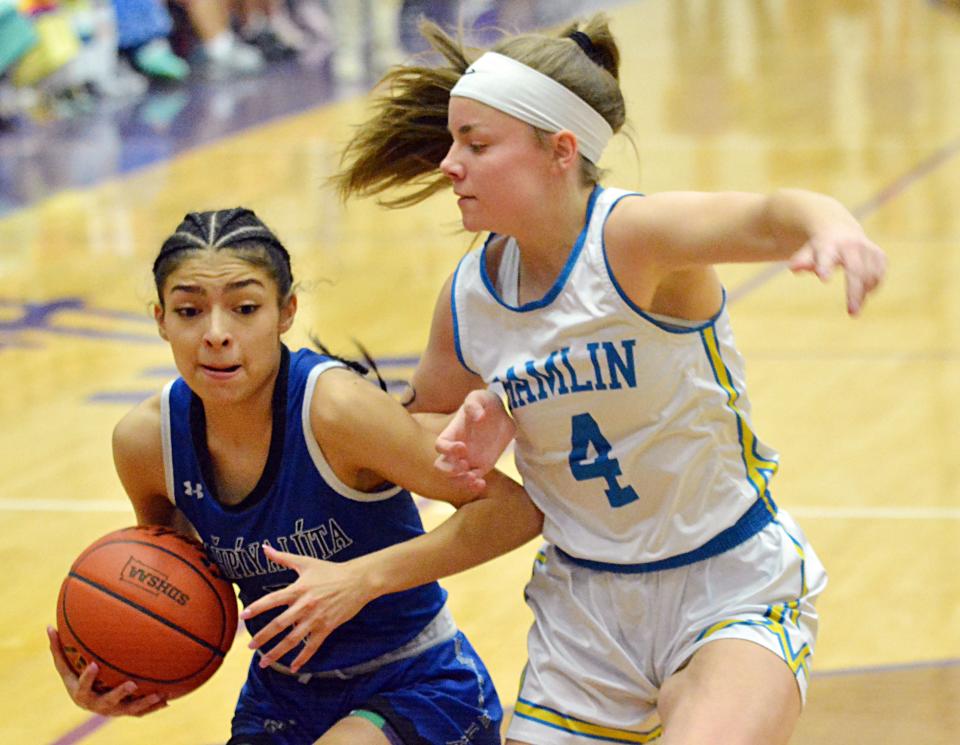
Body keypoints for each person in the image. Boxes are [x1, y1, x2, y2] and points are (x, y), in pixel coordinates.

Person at [332, 13, 887, 745]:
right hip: (585, 609)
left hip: (726, 584)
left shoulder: (632, 241)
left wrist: (828, 225)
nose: (448, 164)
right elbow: (424, 435)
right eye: (451, 141)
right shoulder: (469, 297)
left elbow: (765, 214)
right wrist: (472, 416)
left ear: (560, 151)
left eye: (476, 143)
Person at [46, 207, 543, 745]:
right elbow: (173, 578)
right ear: (160, 319)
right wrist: (117, 664)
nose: (215, 334)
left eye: (244, 308)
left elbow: (512, 509)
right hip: (280, 694)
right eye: (189, 311)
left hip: (416, 680)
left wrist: (360, 580)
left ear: (286, 312)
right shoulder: (146, 444)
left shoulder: (334, 410)